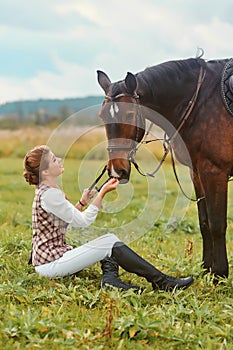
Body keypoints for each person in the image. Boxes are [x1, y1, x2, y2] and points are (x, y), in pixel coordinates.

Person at [23, 145, 194, 292]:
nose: (59, 159)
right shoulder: (50, 194)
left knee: (105, 243)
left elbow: (64, 223)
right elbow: (82, 222)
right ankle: (162, 282)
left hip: (52, 258)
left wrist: (83, 201)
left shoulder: (47, 190)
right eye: (54, 160)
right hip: (51, 264)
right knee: (109, 241)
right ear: (45, 171)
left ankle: (111, 280)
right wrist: (102, 193)